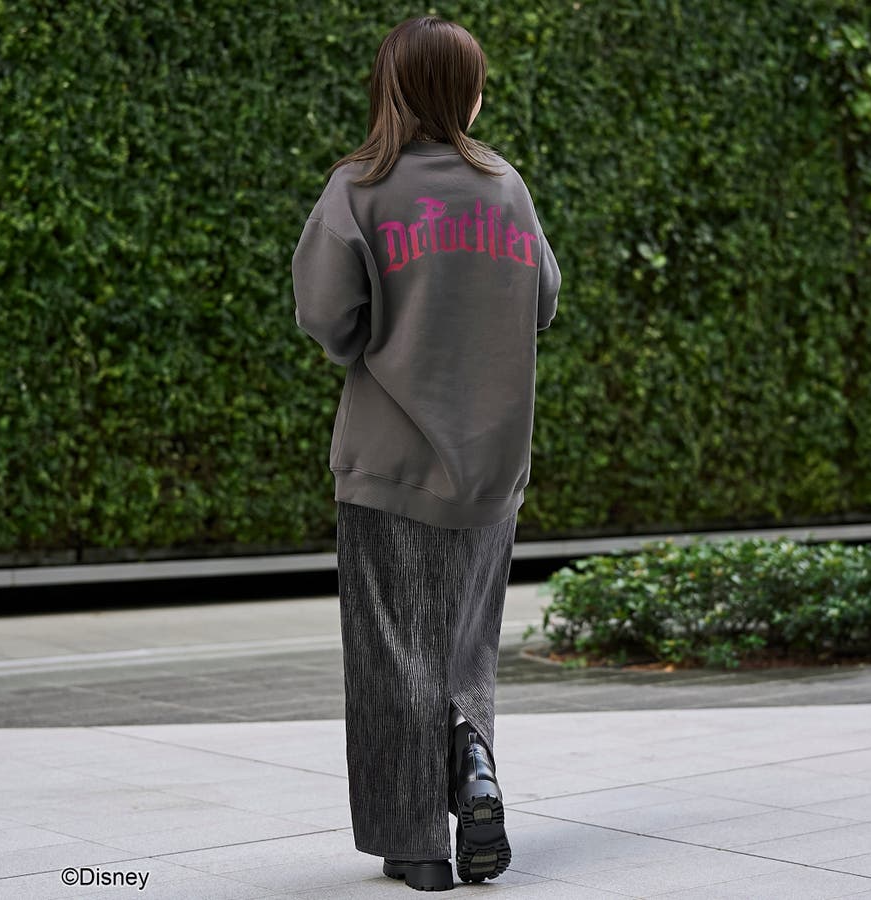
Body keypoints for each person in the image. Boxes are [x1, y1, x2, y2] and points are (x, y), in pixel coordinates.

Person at [291, 14, 560, 892]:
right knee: (464, 647)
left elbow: (326, 317)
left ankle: (416, 849)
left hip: (388, 462)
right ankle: (472, 761)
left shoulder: (359, 188)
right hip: (492, 466)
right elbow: (544, 300)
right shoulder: (506, 186)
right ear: (468, 94)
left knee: (391, 656)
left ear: (391, 89)